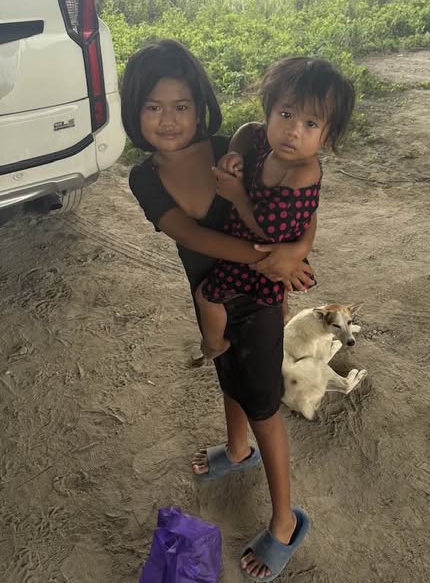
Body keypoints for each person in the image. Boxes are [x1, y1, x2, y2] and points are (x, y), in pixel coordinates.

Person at [123, 40, 328, 581]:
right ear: (133, 110)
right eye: (153, 107)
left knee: (262, 404)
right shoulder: (145, 177)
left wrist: (296, 251)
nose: (169, 120)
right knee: (225, 370)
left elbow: (302, 200)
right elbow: (191, 235)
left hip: (258, 301)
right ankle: (238, 451)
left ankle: (284, 521)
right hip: (210, 290)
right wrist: (269, 257)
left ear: (201, 106)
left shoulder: (230, 149)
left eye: (181, 106)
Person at [195, 56, 355, 360]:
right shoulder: (268, 142)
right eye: (285, 114)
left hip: (260, 256)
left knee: (206, 296)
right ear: (269, 111)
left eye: (311, 124)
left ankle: (214, 344)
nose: (293, 130)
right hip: (262, 247)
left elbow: (269, 232)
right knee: (274, 300)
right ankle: (280, 310)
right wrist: (234, 152)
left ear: (328, 137)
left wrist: (237, 196)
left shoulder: (301, 172)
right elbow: (247, 130)